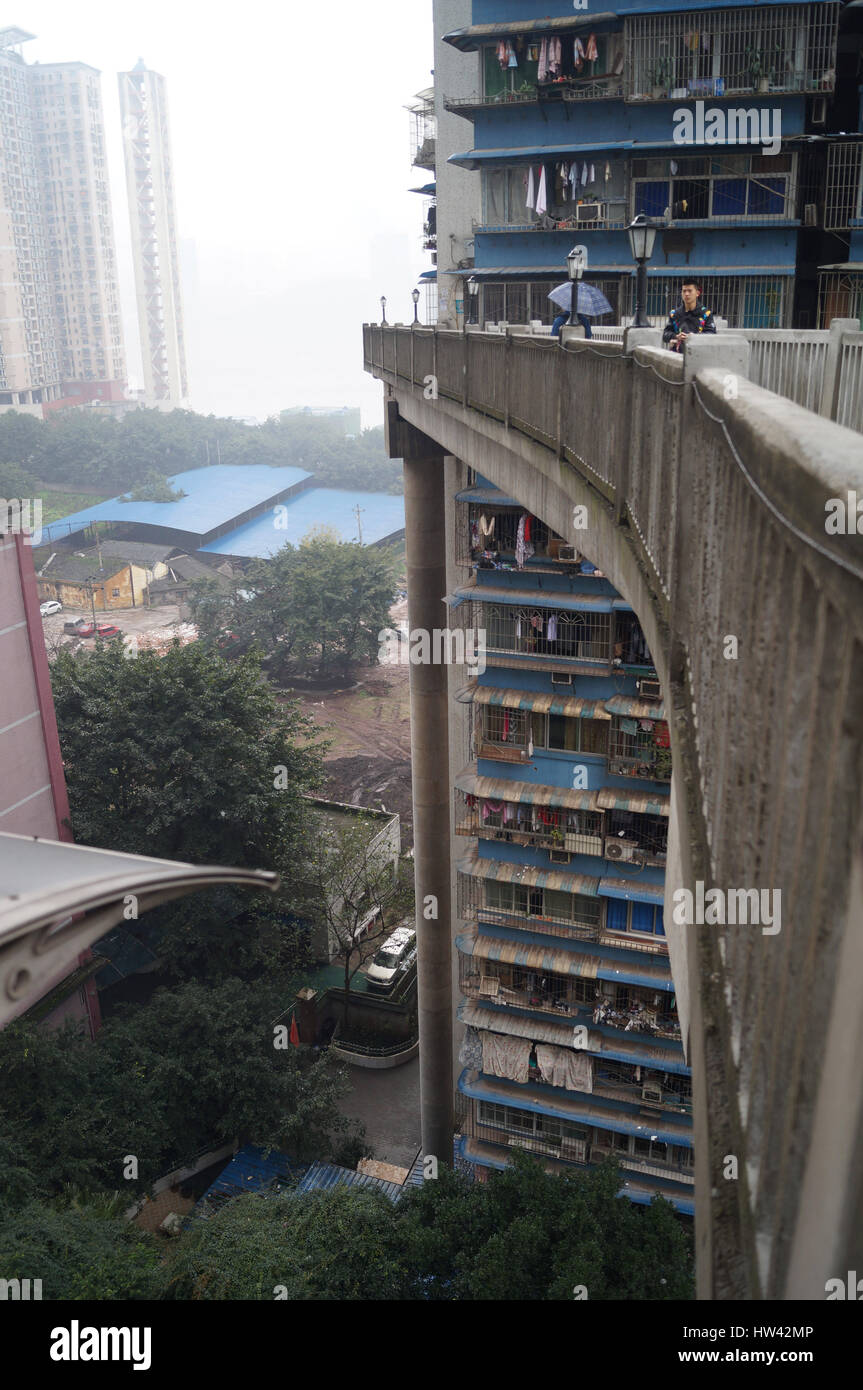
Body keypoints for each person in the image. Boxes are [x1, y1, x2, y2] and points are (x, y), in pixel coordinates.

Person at [661, 279, 716, 352]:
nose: (686, 294)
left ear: (697, 293)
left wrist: (694, 337)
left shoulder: (706, 314)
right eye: (684, 291)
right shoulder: (674, 314)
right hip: (677, 355)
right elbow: (665, 335)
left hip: (698, 354)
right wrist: (676, 336)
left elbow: (712, 334)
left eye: (690, 291)